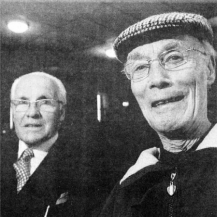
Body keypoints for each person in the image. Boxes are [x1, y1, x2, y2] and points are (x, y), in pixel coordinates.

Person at [99, 12, 217, 217]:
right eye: (140, 67)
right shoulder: (127, 187)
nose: (157, 79)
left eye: (173, 58)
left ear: (209, 68)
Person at [1, 72, 78, 217]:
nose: (32, 113)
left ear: (61, 113)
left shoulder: (84, 165)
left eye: (45, 103)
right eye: (22, 102)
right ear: (12, 110)